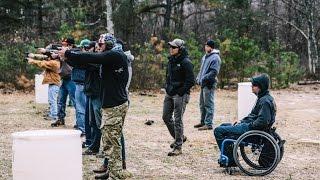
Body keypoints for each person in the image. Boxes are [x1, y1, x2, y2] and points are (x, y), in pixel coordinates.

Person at [60, 33, 132, 179]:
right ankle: (111, 168)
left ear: (109, 45)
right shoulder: (109, 58)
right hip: (110, 104)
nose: (97, 47)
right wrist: (68, 57)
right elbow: (85, 63)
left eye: (101, 45)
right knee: (109, 139)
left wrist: (68, 52)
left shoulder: (115, 56)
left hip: (115, 105)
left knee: (113, 140)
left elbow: (92, 58)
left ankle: (117, 172)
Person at [214, 73, 277, 165]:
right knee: (224, 126)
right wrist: (241, 122)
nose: (252, 86)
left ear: (261, 87)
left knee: (218, 131)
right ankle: (231, 156)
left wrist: (246, 125)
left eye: (254, 85)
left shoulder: (265, 101)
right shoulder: (264, 98)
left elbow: (263, 121)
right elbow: (253, 116)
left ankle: (231, 160)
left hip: (252, 131)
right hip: (251, 127)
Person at [162, 38, 195, 156]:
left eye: (174, 47)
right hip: (169, 93)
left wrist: (181, 91)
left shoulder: (186, 62)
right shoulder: (171, 60)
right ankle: (179, 137)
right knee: (165, 117)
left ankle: (178, 147)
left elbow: (191, 81)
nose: (171, 49)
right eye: (170, 47)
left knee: (177, 120)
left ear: (180, 49)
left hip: (180, 94)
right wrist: (167, 87)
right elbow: (168, 76)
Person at [194, 40, 221, 130]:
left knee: (208, 104)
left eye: (207, 46)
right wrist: (198, 78)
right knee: (202, 104)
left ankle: (208, 124)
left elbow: (214, 72)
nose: (205, 47)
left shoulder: (215, 58)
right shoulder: (205, 56)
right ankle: (203, 122)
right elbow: (202, 70)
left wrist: (204, 78)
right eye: (205, 46)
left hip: (209, 83)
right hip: (203, 83)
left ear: (211, 47)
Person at [27, 52, 60, 121]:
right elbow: (44, 60)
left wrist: (32, 61)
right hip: (53, 83)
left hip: (54, 83)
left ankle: (54, 115)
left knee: (52, 100)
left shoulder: (54, 63)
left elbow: (42, 63)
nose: (48, 57)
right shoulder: (54, 62)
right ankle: (52, 114)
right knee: (51, 100)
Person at [51, 37, 77, 128]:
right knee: (60, 100)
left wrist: (59, 55)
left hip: (71, 79)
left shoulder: (74, 52)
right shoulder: (63, 52)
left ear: (70, 45)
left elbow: (65, 57)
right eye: (62, 44)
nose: (63, 46)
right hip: (64, 78)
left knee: (75, 101)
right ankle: (60, 119)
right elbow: (56, 56)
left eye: (65, 45)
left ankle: (79, 122)